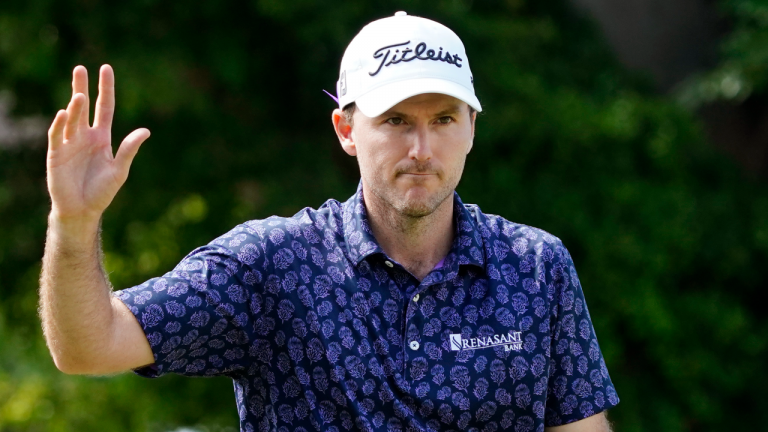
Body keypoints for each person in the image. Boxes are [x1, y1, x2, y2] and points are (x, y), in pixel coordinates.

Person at [40, 11, 619, 432]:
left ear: (472, 128)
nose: (421, 149)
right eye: (395, 120)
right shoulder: (270, 267)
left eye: (443, 119)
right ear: (346, 130)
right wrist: (74, 222)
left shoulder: (535, 266)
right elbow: (89, 347)